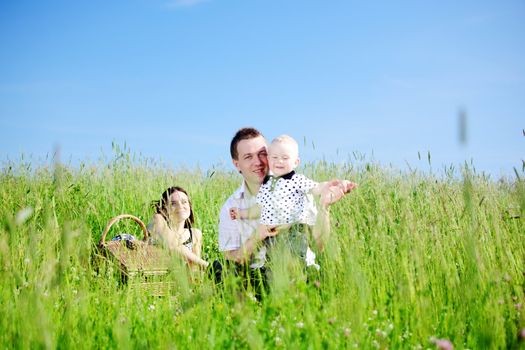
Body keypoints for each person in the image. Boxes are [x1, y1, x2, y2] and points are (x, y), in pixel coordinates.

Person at [217, 128, 356, 296]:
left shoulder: (296, 189)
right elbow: (233, 259)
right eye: (248, 157)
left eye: (262, 154)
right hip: (260, 275)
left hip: (300, 268)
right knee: (219, 270)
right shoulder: (231, 206)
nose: (258, 162)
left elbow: (319, 245)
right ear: (237, 164)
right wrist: (258, 236)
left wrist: (324, 207)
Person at [149, 186, 209, 269]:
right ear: (164, 209)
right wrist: (207, 266)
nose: (180, 206)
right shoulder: (157, 219)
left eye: (184, 202)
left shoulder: (195, 234)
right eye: (173, 203)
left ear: (189, 206)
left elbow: (195, 268)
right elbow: (172, 245)